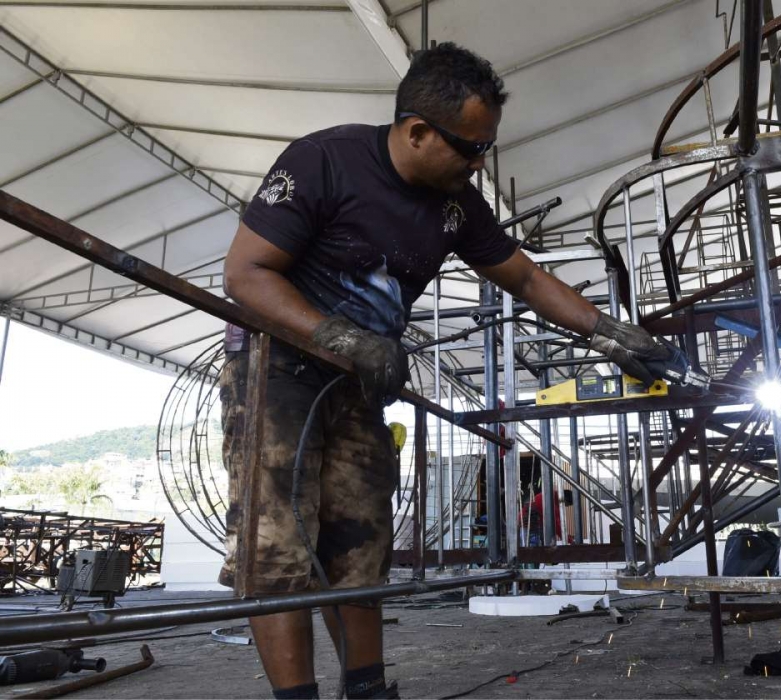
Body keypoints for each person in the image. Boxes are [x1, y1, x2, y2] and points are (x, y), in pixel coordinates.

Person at [219, 42, 672, 700]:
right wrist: (338, 334)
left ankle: (367, 691)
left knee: (359, 543)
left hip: (359, 382)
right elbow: (243, 273)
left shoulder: (456, 201)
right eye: (469, 147)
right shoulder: (323, 161)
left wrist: (606, 332)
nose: (479, 161)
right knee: (280, 547)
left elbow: (521, 275)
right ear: (417, 131)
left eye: (485, 146)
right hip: (277, 370)